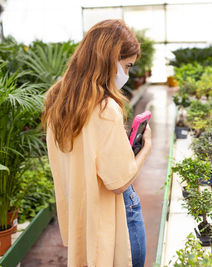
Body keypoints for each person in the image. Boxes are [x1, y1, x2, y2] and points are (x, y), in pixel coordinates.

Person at [42, 19, 151, 267]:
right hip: (117, 213)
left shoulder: (57, 101)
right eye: (127, 66)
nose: (128, 74)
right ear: (110, 60)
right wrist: (145, 149)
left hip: (82, 211)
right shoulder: (105, 108)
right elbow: (119, 181)